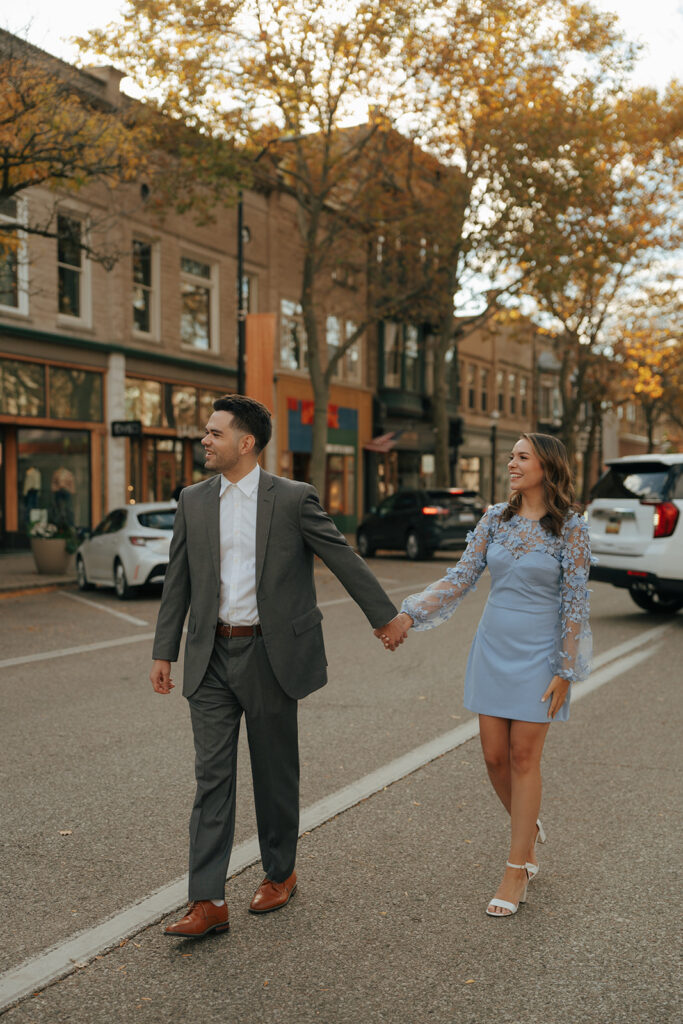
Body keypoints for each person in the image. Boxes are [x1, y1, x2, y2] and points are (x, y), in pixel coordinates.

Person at [151, 395, 405, 938]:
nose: (205, 440)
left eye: (214, 433)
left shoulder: (291, 499)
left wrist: (385, 618)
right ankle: (207, 901)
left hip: (270, 655)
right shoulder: (192, 501)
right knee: (211, 779)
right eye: (206, 432)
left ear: (246, 442)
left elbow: (340, 555)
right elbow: (178, 580)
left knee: (273, 774)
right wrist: (163, 650)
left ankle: (280, 873)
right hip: (210, 656)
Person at [377, 433, 591, 918]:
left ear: (546, 466)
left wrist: (565, 668)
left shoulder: (571, 528)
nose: (511, 463)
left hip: (541, 654)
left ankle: (517, 867)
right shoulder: (495, 519)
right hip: (493, 647)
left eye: (521, 457)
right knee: (494, 758)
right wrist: (408, 614)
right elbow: (460, 576)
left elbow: (575, 603)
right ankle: (528, 824)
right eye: (511, 456)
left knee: (522, 756)